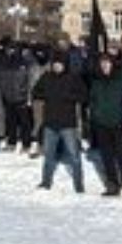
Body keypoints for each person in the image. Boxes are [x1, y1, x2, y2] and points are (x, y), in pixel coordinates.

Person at [33, 55, 86, 192]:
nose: (57, 66)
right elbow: (36, 91)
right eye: (55, 64)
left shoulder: (72, 78)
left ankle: (79, 184)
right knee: (48, 155)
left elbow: (83, 95)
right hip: (50, 123)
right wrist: (45, 95)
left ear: (65, 65)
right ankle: (45, 182)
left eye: (60, 64)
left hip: (68, 123)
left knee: (74, 156)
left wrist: (69, 97)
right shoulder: (47, 77)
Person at [87, 54, 122, 198]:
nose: (104, 66)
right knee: (106, 156)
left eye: (107, 63)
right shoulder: (96, 81)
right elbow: (92, 101)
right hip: (101, 124)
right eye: (102, 63)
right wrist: (94, 116)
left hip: (118, 123)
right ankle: (113, 184)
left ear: (112, 64)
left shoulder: (121, 79)